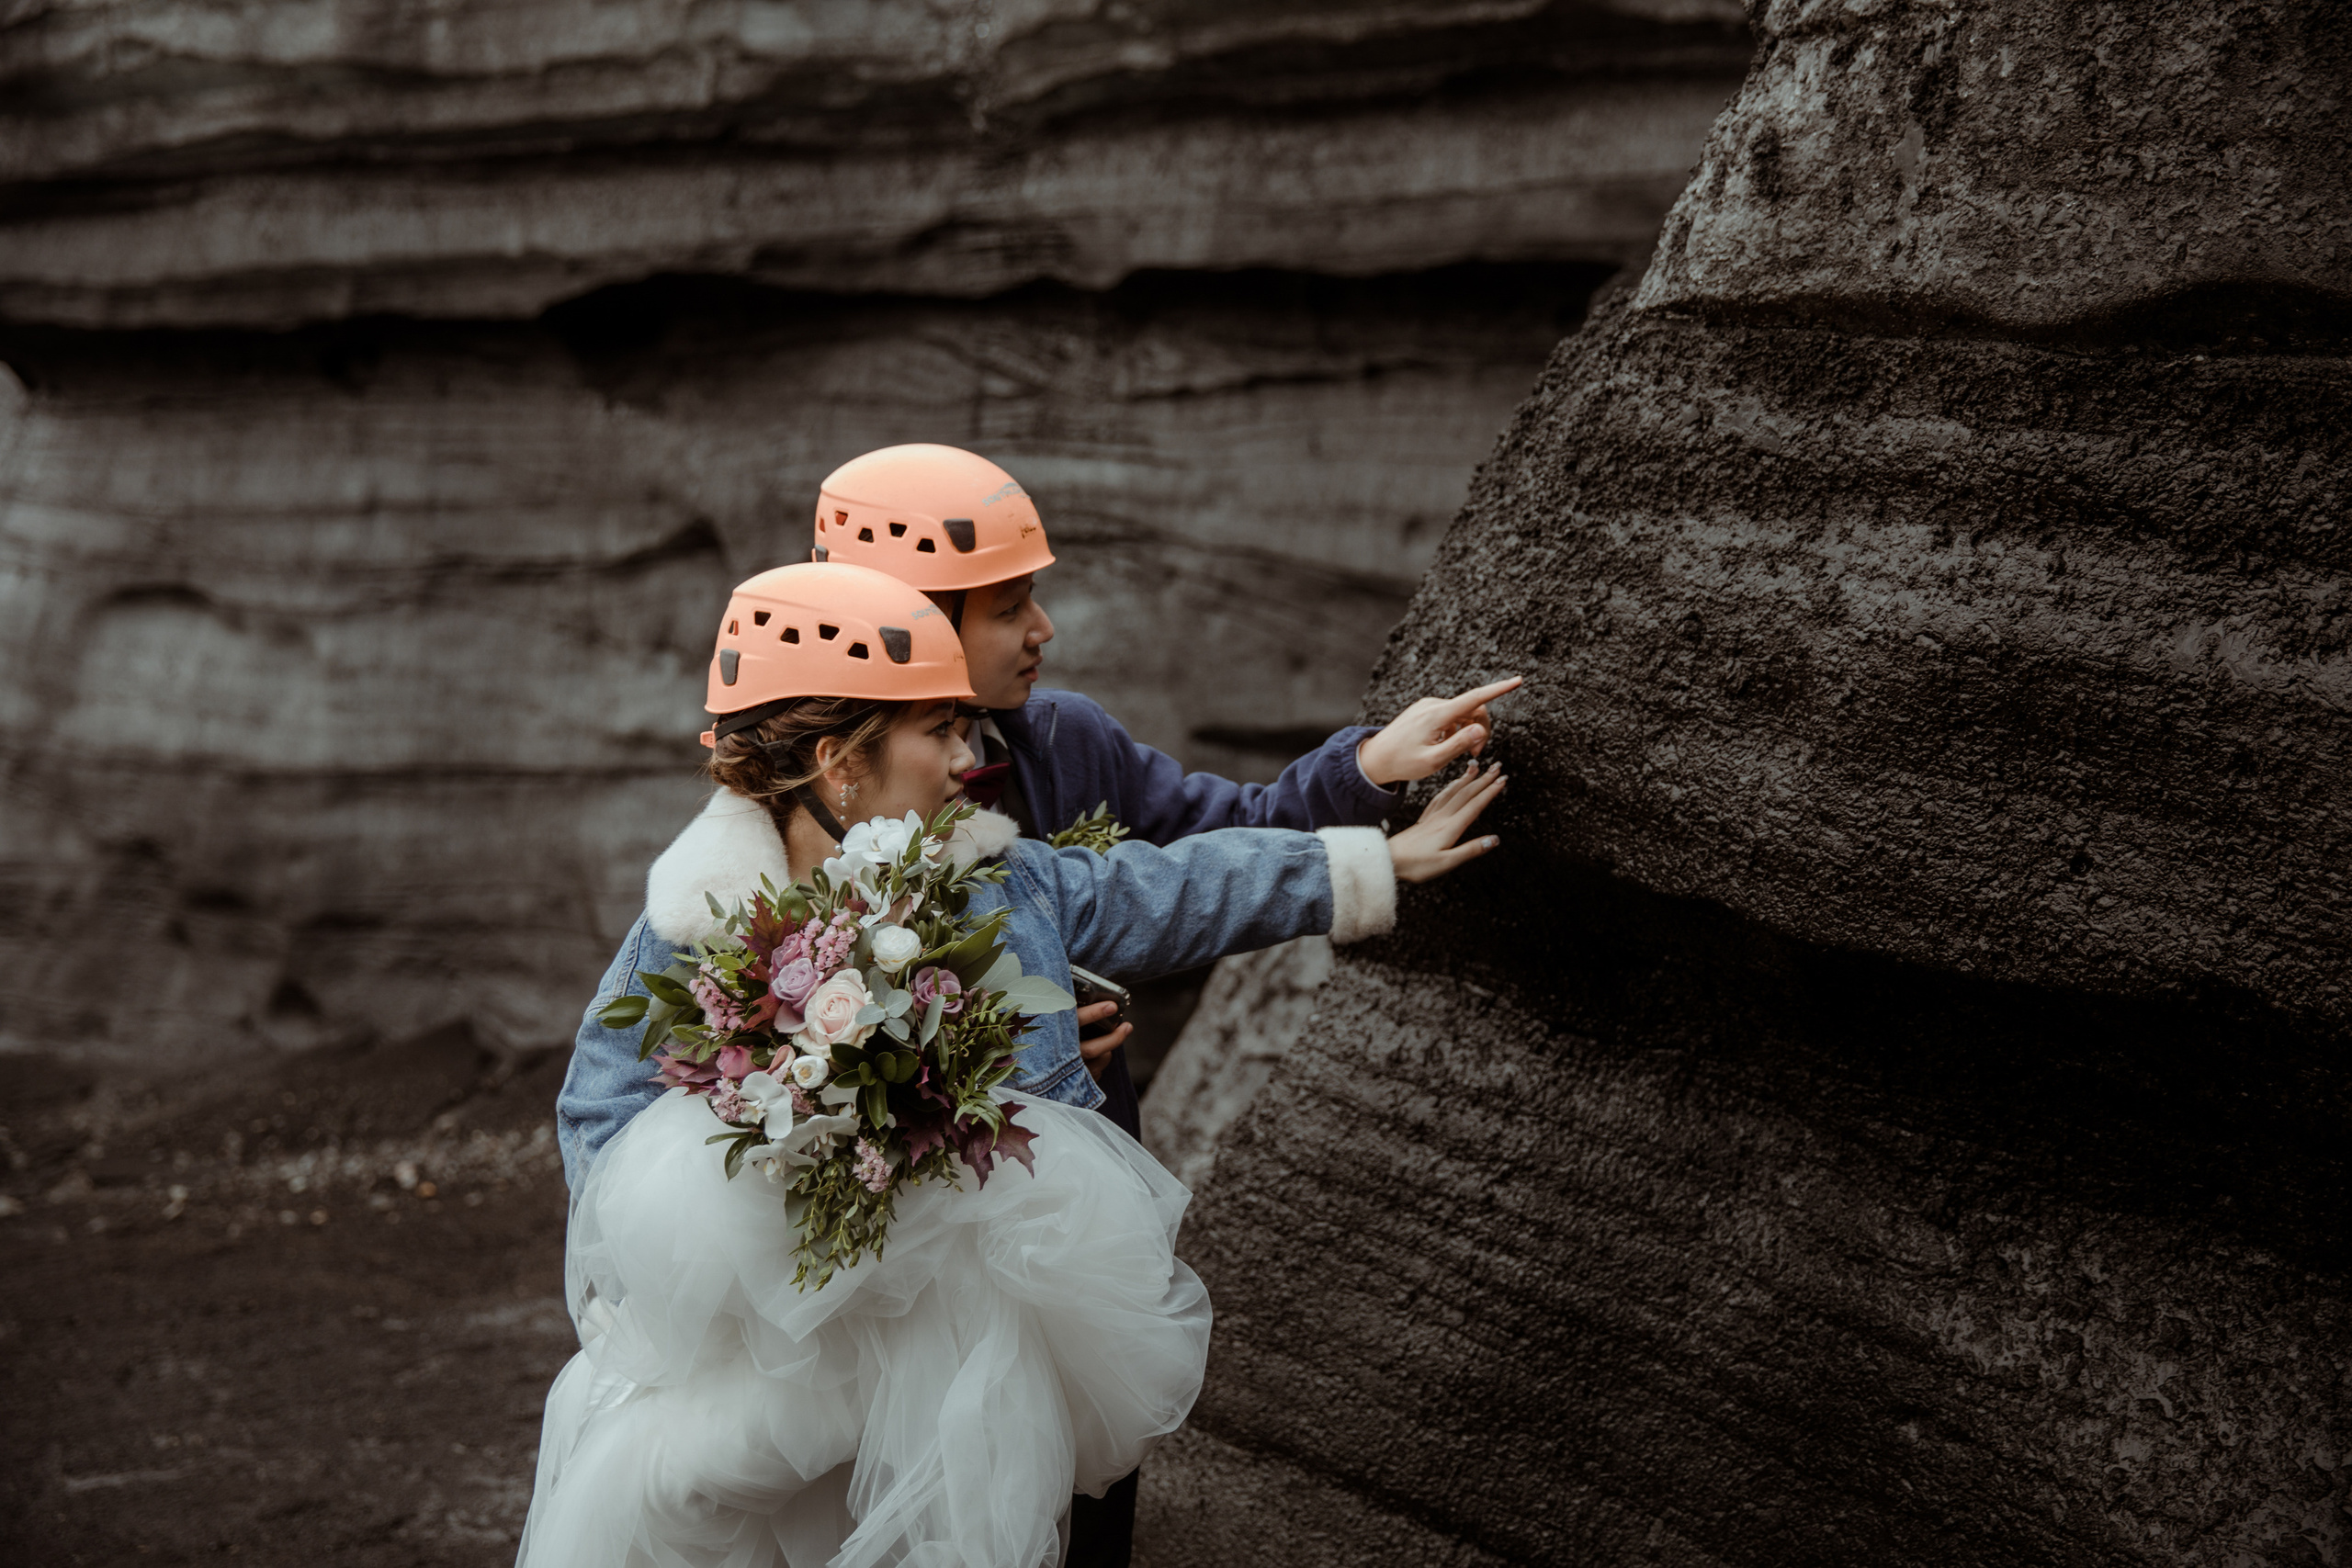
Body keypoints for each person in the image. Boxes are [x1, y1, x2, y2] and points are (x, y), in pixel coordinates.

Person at [518, 562, 1505, 1568]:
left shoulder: (999, 875)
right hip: (768, 1348)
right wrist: (654, 1306)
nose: (966, 759)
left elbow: (1173, 888)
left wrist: (1372, 862)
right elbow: (602, 1104)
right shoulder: (700, 920)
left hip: (962, 1334)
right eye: (940, 731)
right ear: (838, 761)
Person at [560, 443, 1520, 1187]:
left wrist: (1368, 772)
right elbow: (618, 1105)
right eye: (1008, 603)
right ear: (914, 625)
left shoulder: (1061, 744)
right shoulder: (722, 900)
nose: (1042, 628)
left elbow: (1198, 863)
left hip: (1059, 1213)